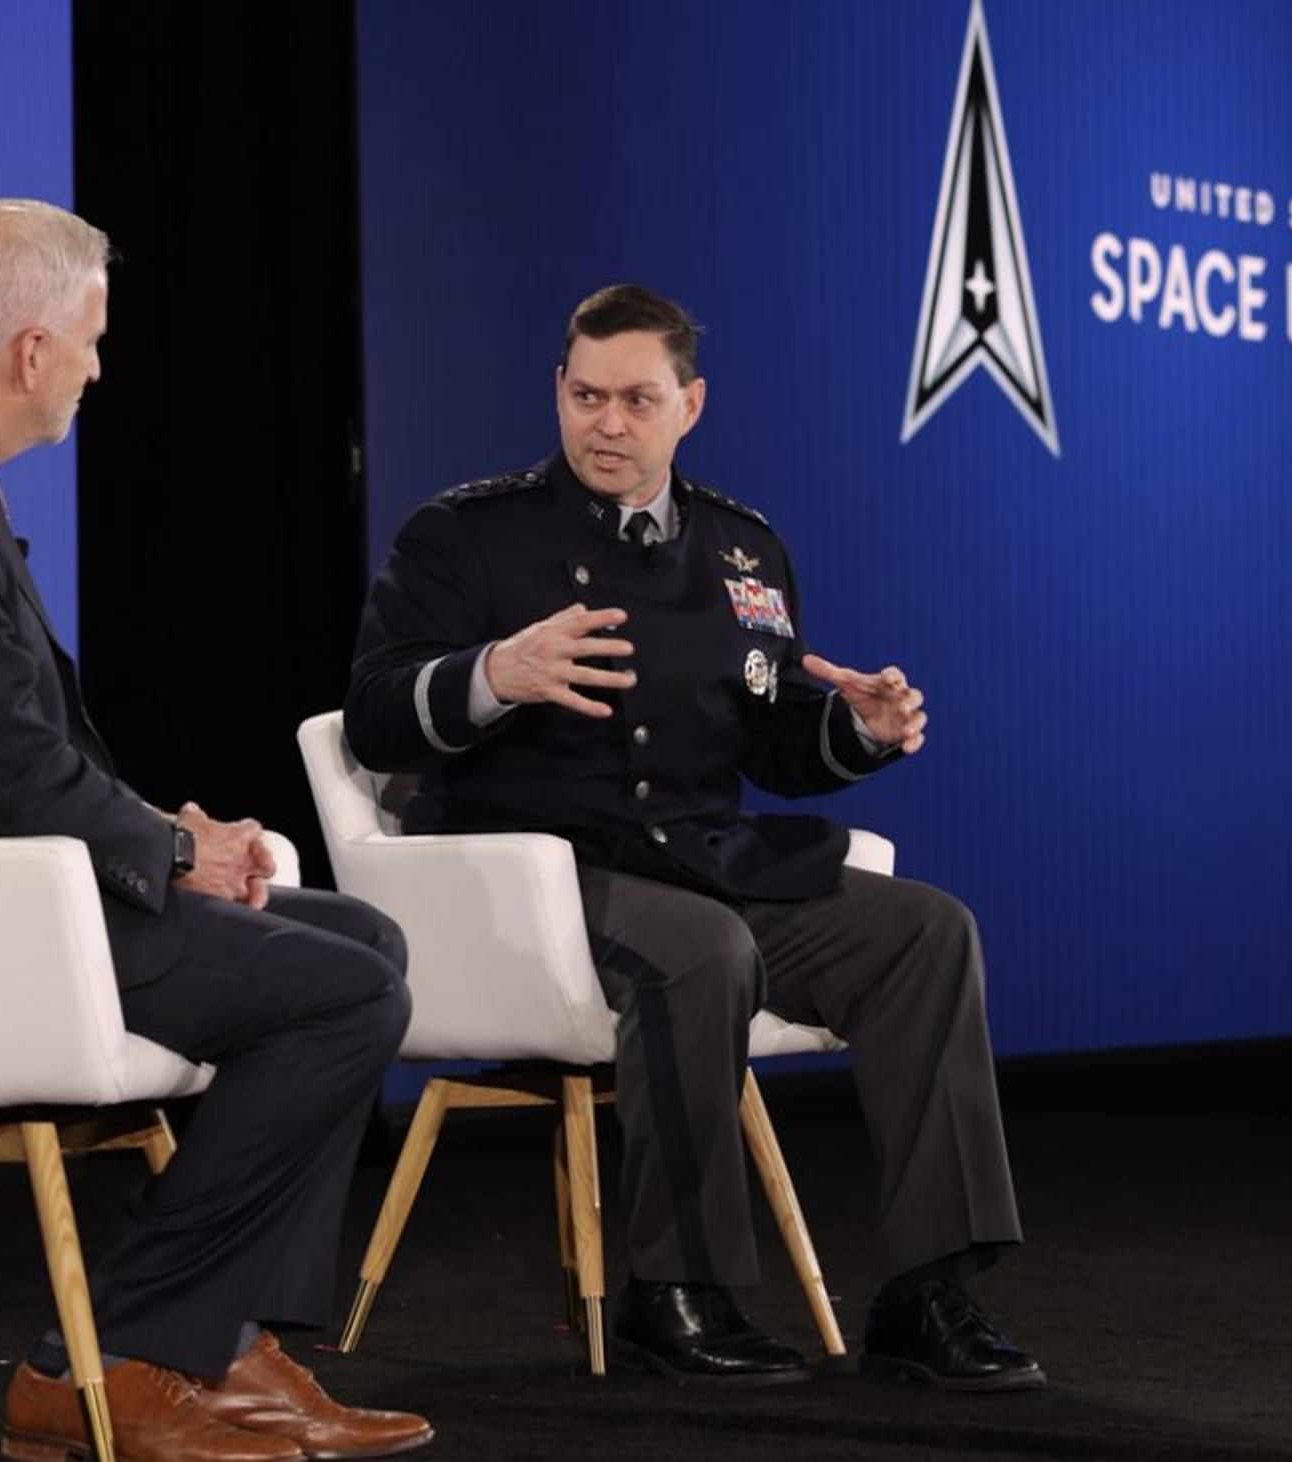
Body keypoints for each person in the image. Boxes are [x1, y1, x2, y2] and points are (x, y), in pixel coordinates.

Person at [0, 199, 436, 1462]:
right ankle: (102, 1358)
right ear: (28, 351)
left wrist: (164, 829)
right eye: (92, 340)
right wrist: (180, 855)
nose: (97, 368)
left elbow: (0, 751)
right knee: (339, 996)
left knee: (365, 938)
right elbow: (9, 777)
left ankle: (214, 1341)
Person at [344, 284, 1041, 1393]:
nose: (605, 423)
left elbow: (768, 743)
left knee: (924, 932)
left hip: (703, 858)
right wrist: (493, 673)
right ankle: (678, 1292)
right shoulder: (467, 534)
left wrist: (853, 733)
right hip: (540, 871)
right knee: (696, 950)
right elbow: (374, 711)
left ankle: (926, 1292)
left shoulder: (743, 551)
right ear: (557, 393)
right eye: (584, 396)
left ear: (689, 404)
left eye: (634, 398)